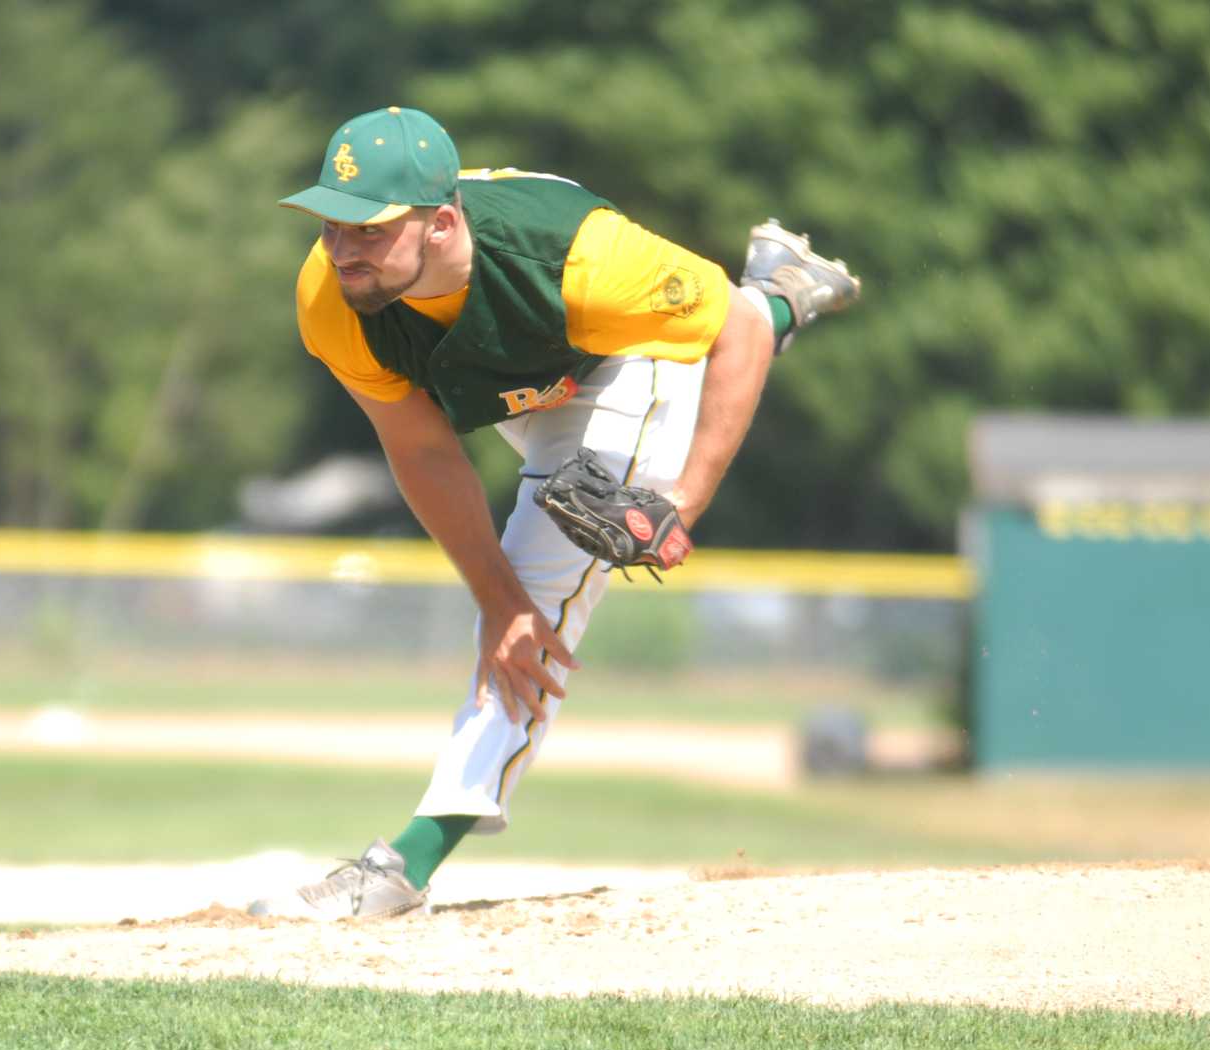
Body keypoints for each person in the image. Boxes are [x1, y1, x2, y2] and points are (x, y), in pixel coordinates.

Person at [249, 107, 860, 921]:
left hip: (615, 364)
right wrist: (493, 597)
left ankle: (403, 867)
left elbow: (733, 337)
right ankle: (787, 284)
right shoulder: (332, 296)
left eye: (369, 228)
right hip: (524, 382)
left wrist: (683, 502)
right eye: (333, 222)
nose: (342, 247)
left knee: (535, 603)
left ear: (439, 223)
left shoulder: (586, 261)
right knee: (508, 607)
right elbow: (424, 451)